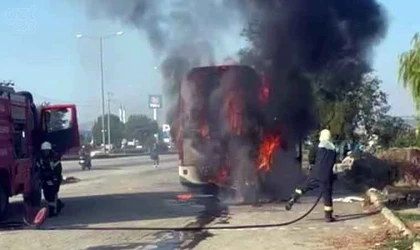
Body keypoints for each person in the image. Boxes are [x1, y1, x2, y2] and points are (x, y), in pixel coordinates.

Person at [285, 129, 337, 222]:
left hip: (316, 173)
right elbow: (333, 163)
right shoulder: (333, 150)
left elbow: (311, 158)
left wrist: (312, 165)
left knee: (304, 187)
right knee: (327, 195)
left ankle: (294, 198)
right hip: (327, 175)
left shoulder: (318, 147)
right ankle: (328, 216)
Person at [36, 141, 64, 217]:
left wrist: (56, 180)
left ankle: (53, 211)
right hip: (45, 179)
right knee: (47, 195)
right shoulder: (40, 159)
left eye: (47, 151)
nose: (45, 152)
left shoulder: (54, 158)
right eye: (44, 151)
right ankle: (58, 204)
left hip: (54, 179)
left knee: (52, 194)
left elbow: (58, 170)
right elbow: (38, 169)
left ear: (50, 150)